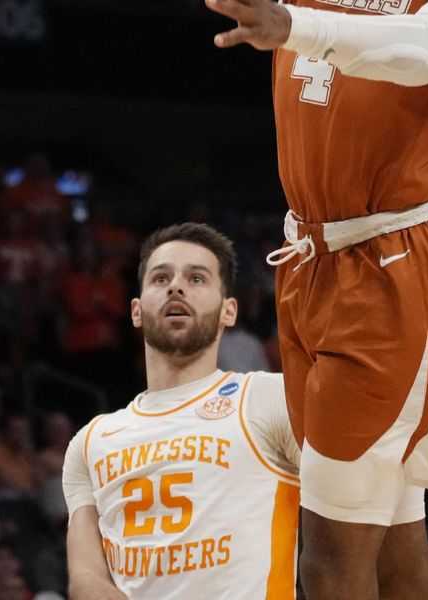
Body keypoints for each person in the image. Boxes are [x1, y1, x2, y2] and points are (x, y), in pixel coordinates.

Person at [206, 0, 428, 598]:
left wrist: (294, 26)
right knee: (402, 571)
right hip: (309, 264)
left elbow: (425, 48)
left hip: (389, 275)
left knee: (329, 565)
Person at [62, 223, 301, 599]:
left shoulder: (270, 398)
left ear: (229, 312)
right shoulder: (90, 442)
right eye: (160, 278)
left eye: (196, 278)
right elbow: (86, 579)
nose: (176, 286)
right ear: (137, 311)